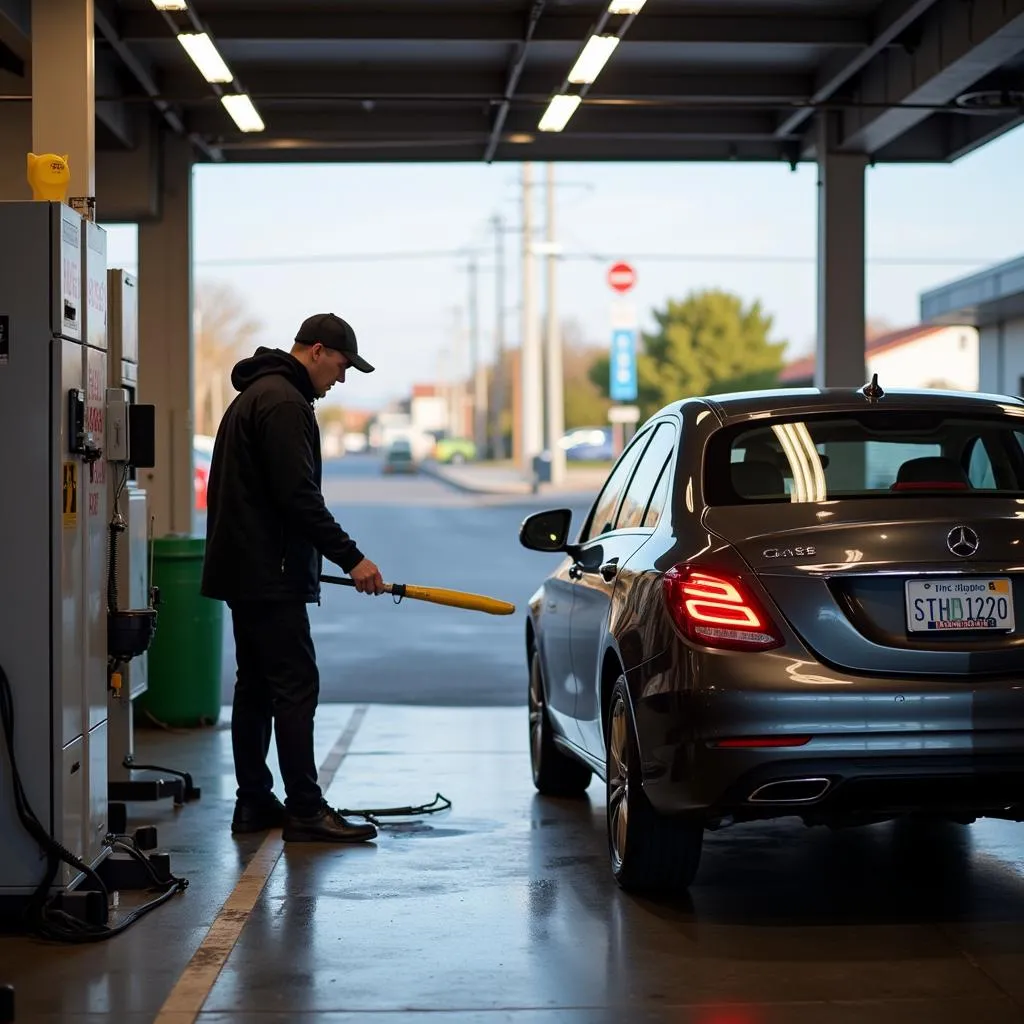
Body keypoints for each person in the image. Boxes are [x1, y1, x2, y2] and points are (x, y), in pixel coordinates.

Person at [201, 312, 384, 843]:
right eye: (343, 366)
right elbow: (297, 496)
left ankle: (254, 801)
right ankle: (304, 807)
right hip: (270, 574)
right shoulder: (284, 402)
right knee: (295, 687)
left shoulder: (258, 395)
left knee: (255, 687)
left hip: (248, 570)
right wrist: (352, 558)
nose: (342, 379)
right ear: (319, 351)